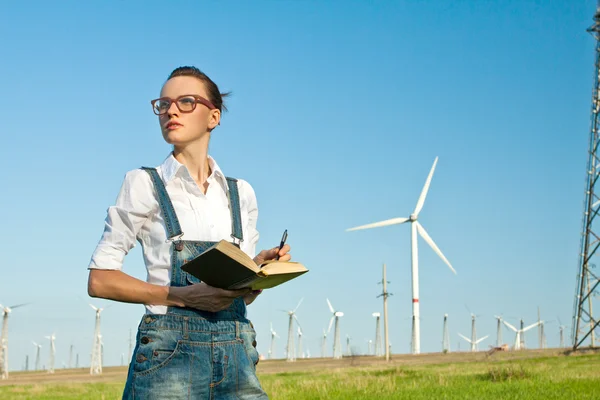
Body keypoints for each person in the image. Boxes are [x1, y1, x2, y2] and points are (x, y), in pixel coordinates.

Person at [87, 66, 290, 399]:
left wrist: (258, 271)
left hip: (236, 351)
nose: (171, 111)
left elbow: (243, 297)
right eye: (163, 104)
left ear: (213, 117)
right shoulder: (143, 183)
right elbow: (100, 280)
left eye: (185, 101)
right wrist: (181, 296)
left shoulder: (242, 194)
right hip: (170, 356)